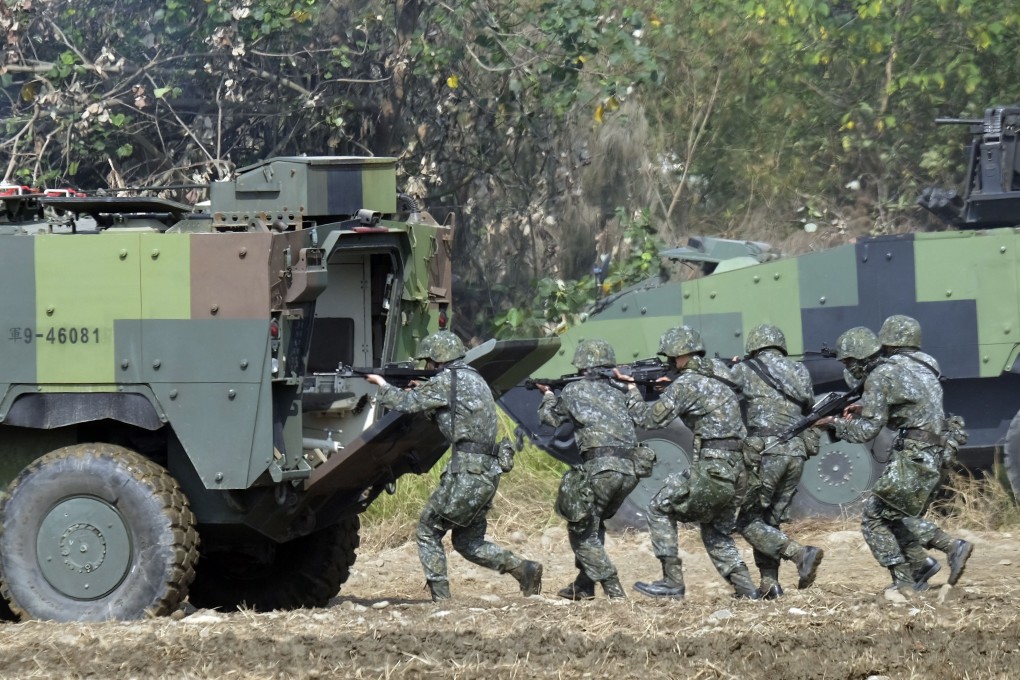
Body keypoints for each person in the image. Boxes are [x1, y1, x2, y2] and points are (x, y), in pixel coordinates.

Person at [366, 330, 543, 601]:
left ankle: (441, 599)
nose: (427, 368)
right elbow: (451, 415)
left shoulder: (447, 380)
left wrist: (380, 384)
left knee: (427, 530)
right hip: (485, 472)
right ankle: (524, 569)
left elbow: (405, 403)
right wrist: (422, 390)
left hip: (467, 473)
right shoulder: (474, 379)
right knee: (467, 542)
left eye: (429, 362)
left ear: (438, 360)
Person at [616, 326, 759, 600]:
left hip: (715, 466)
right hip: (739, 467)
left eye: (671, 357)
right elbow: (702, 397)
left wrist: (632, 390)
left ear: (681, 354)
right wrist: (670, 387)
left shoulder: (685, 385)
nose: (669, 362)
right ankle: (747, 590)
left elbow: (649, 420)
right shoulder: (718, 374)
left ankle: (672, 583)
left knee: (659, 508)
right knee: (716, 530)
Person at [815, 326, 945, 593]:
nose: (848, 368)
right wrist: (864, 406)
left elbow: (866, 430)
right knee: (891, 515)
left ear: (859, 360)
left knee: (874, 519)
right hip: (925, 449)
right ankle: (921, 567)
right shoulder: (902, 369)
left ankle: (908, 579)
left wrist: (831, 423)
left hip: (913, 451)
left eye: (849, 362)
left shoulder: (878, 376)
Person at [535, 338, 646, 601]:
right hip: (630, 470)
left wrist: (548, 395)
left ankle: (614, 591)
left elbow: (551, 418)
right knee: (593, 523)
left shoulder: (574, 391)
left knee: (581, 530)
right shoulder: (620, 390)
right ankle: (584, 586)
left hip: (601, 469)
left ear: (583, 366)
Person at [878, 315, 973, 587]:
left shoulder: (891, 368)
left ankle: (950, 547)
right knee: (896, 513)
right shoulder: (928, 363)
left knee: (882, 514)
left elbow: (880, 412)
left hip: (914, 451)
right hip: (935, 449)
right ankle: (917, 572)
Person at [731, 324, 824, 598]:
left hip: (767, 451)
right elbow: (807, 404)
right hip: (795, 452)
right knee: (769, 522)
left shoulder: (745, 369)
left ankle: (799, 554)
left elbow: (727, 395)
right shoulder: (799, 370)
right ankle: (769, 585)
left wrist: (735, 368)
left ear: (754, 346)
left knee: (747, 521)